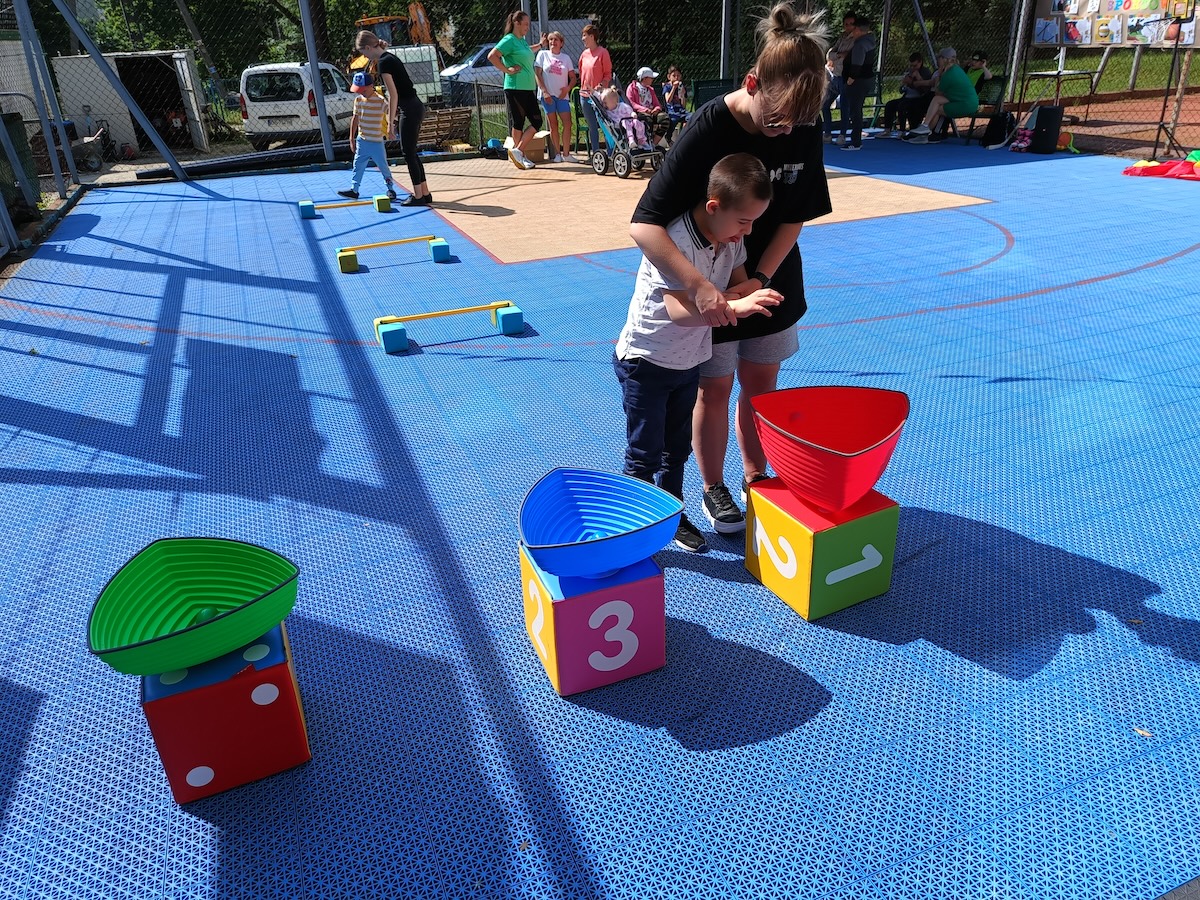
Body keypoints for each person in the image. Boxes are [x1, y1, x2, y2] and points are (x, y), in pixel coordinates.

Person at [630, 0, 832, 536]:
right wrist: (703, 288)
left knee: (762, 386)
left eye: (797, 123)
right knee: (713, 388)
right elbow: (644, 225)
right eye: (776, 121)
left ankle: (756, 476)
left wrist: (758, 279)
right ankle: (713, 485)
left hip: (767, 277)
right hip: (710, 281)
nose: (786, 132)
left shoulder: (803, 121)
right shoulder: (709, 128)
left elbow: (792, 217)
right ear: (751, 83)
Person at [615, 153, 782, 553]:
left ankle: (670, 516)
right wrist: (735, 305)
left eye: (753, 222)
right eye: (743, 221)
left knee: (677, 450)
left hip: (688, 360)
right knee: (644, 454)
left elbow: (738, 282)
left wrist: (746, 292)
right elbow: (678, 311)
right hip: (646, 361)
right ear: (713, 207)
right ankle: (634, 530)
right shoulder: (676, 242)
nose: (747, 231)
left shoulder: (730, 240)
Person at [354, 30, 432, 206]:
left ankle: (418, 196)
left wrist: (390, 123)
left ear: (368, 47)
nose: (365, 57)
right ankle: (424, 193)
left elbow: (393, 95)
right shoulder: (389, 57)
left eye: (363, 52)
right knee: (411, 152)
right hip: (415, 106)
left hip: (409, 109)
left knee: (408, 153)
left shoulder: (384, 63)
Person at [488, 11, 543, 170]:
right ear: (516, 23)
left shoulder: (521, 41)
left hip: (528, 87)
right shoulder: (509, 40)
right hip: (515, 87)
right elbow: (492, 56)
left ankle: (518, 152)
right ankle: (519, 155)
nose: (527, 27)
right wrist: (507, 70)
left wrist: (540, 45)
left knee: (536, 121)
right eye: (525, 24)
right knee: (520, 122)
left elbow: (527, 51)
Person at [337, 71, 399, 202]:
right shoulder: (358, 100)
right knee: (357, 165)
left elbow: (390, 113)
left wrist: (391, 126)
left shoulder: (380, 101)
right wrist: (351, 138)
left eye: (363, 90)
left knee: (383, 166)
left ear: (371, 86)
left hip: (376, 141)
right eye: (359, 90)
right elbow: (355, 119)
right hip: (362, 141)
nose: (361, 93)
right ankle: (354, 189)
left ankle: (390, 188)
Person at [907, 47, 978, 143]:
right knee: (937, 100)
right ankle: (925, 129)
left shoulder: (948, 74)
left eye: (939, 58)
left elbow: (937, 92)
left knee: (937, 108)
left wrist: (939, 76)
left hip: (965, 105)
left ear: (945, 60)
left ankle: (926, 132)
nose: (937, 60)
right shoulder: (956, 69)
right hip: (964, 100)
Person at [534, 31, 579, 162]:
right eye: (550, 40)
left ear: (561, 43)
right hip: (548, 96)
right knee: (553, 125)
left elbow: (573, 78)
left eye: (556, 40)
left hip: (562, 96)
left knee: (567, 123)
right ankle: (557, 154)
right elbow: (537, 74)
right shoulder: (542, 54)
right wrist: (544, 91)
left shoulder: (566, 58)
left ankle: (566, 154)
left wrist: (567, 89)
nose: (553, 42)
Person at [838, 15, 876, 151]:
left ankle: (855, 142)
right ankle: (856, 139)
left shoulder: (860, 44)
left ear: (858, 30)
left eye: (854, 29)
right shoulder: (870, 41)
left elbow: (857, 65)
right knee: (856, 110)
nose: (852, 32)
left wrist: (850, 79)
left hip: (858, 82)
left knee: (855, 111)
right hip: (865, 80)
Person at [820, 11, 857, 143]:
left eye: (851, 24)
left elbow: (850, 55)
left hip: (845, 77)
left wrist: (839, 55)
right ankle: (828, 133)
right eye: (846, 24)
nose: (848, 26)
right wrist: (838, 55)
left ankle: (842, 135)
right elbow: (830, 54)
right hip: (835, 76)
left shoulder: (856, 40)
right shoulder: (842, 38)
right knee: (825, 105)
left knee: (844, 107)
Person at [578, 23, 613, 156]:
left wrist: (602, 84)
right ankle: (596, 155)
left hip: (599, 96)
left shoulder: (603, 52)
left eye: (584, 35)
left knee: (604, 125)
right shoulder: (583, 55)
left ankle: (610, 154)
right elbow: (581, 73)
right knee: (592, 127)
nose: (582, 38)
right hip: (585, 96)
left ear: (592, 36)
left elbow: (608, 74)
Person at [880, 52, 932, 138]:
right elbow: (902, 90)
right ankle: (887, 129)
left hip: (918, 99)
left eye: (915, 66)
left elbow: (925, 90)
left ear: (920, 62)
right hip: (907, 97)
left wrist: (916, 79)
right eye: (911, 66)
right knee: (890, 104)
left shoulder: (925, 72)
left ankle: (902, 130)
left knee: (902, 106)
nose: (913, 68)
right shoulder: (909, 72)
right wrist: (904, 85)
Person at [626, 67, 671, 145]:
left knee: (665, 119)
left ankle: (653, 144)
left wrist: (657, 109)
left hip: (651, 112)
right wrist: (645, 109)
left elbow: (657, 104)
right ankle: (644, 143)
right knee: (647, 120)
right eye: (651, 78)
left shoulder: (650, 89)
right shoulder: (632, 88)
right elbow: (631, 103)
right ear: (645, 78)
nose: (652, 79)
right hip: (638, 112)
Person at [662, 65, 690, 144]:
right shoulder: (667, 87)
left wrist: (683, 95)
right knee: (674, 119)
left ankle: (684, 136)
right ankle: (668, 136)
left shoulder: (681, 87)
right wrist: (674, 88)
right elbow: (668, 100)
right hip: (672, 111)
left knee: (692, 117)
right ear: (669, 77)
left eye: (678, 76)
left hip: (681, 111)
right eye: (674, 76)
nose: (676, 78)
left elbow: (683, 105)